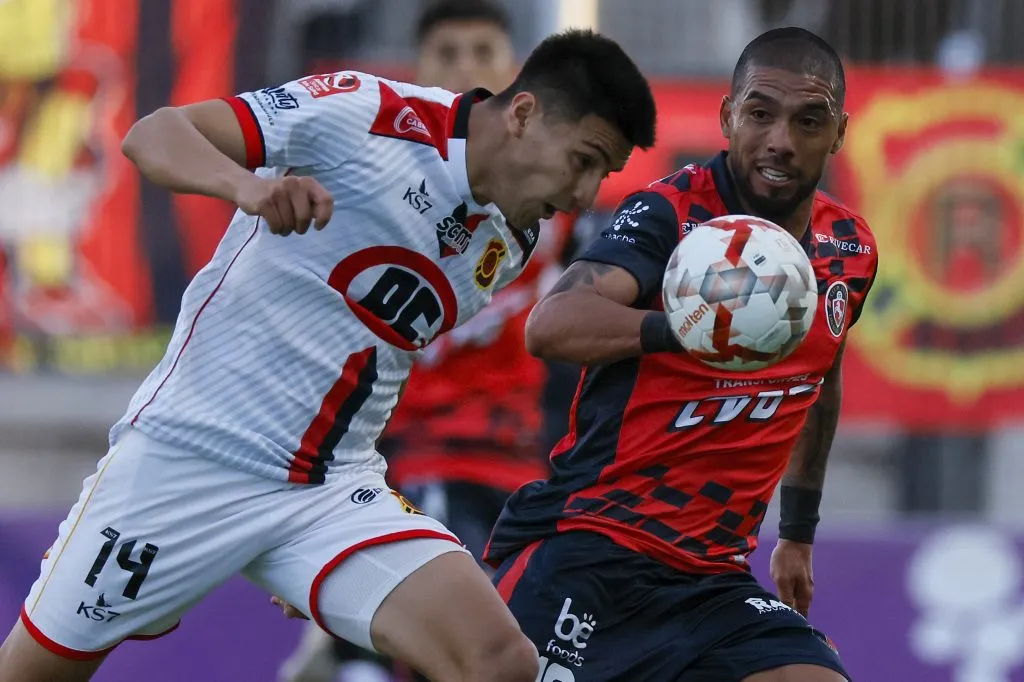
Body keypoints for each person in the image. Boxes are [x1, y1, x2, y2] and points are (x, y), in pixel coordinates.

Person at [0, 27, 656, 682]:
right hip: (188, 458)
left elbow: (379, 361)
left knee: (500, 662)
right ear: (524, 113)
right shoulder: (368, 113)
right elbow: (154, 134)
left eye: (603, 174)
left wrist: (308, 563)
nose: (585, 195)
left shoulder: (510, 238)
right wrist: (245, 187)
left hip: (327, 491)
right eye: (585, 160)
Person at [484, 27, 877, 682]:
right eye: (760, 114)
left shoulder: (849, 247)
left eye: (809, 121)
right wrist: (689, 328)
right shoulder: (670, 214)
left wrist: (798, 531)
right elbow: (552, 325)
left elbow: (819, 379)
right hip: (590, 551)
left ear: (837, 133)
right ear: (727, 117)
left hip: (711, 579)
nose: (781, 141)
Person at [276, 2, 558, 680]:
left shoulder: (559, 203)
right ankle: (351, 657)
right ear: (418, 69)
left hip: (523, 466)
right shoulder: (368, 187)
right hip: (400, 459)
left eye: (483, 52)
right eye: (448, 54)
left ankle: (348, 654)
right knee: (447, 634)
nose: (466, 70)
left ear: (515, 73)